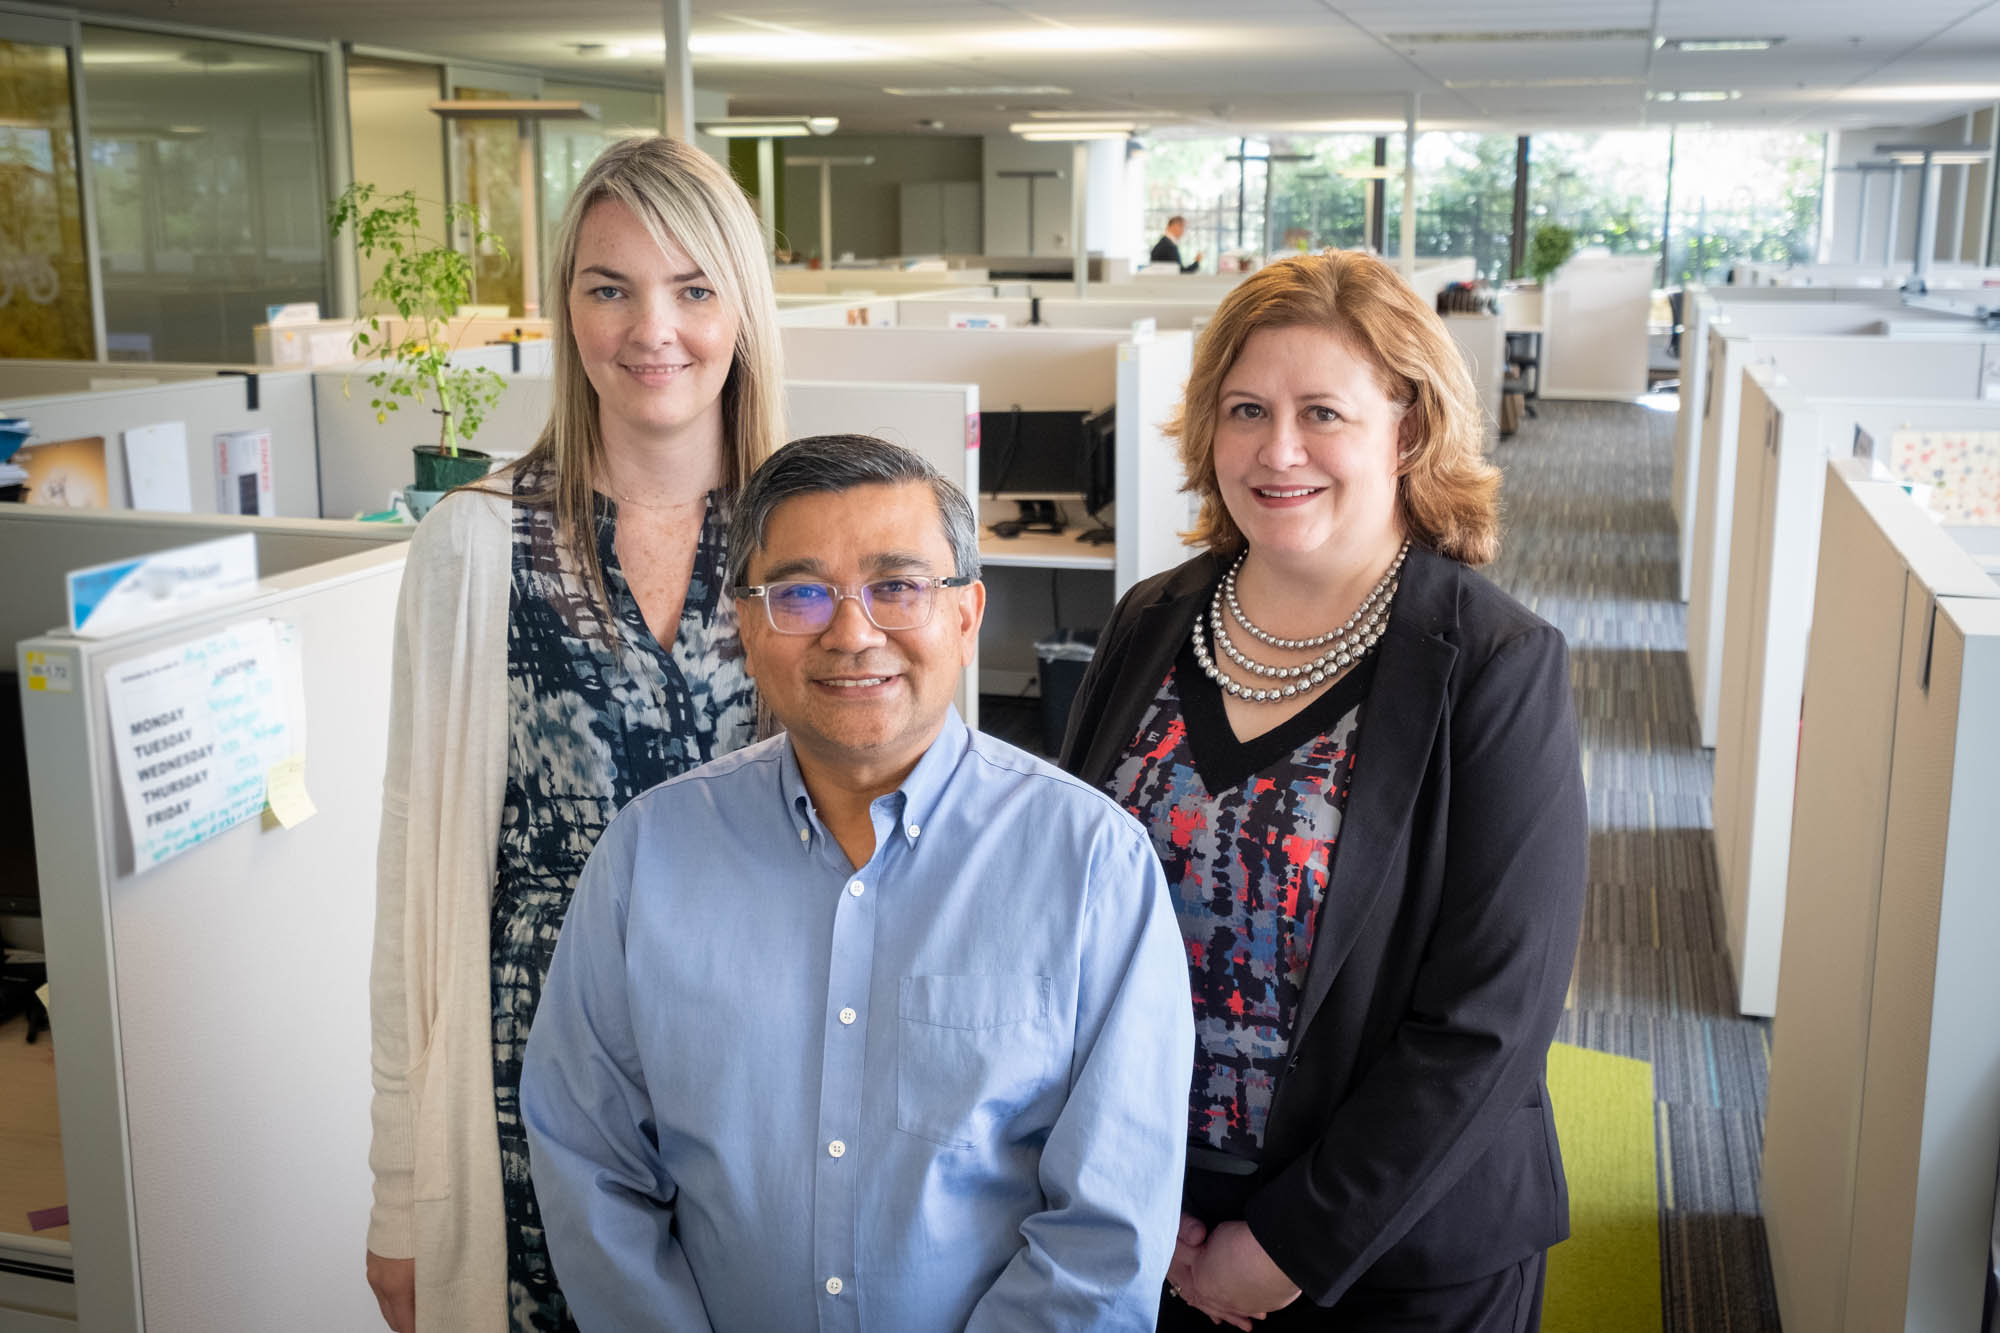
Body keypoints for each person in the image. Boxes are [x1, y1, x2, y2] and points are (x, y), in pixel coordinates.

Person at [520, 435, 1196, 1332]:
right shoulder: (648, 857)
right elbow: (588, 1163)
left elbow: (1106, 1230)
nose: (852, 631)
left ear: (967, 616)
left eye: (899, 586)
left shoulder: (1092, 867)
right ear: (749, 627)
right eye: (800, 592)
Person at [1060, 249, 1588, 1332]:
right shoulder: (1149, 622)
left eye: (1322, 413)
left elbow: (1489, 1016)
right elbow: (1062, 916)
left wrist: (1288, 1245)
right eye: (1245, 408)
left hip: (1391, 1244)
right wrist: (1120, 1186)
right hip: (1150, 1217)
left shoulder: (1490, 664)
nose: (1278, 449)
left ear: (1407, 426)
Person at [364, 135, 786, 1333]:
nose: (652, 328)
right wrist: (403, 1194)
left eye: (693, 287)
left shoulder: (813, 545)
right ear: (566, 310)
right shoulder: (475, 543)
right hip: (530, 1104)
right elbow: (414, 893)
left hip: (763, 1095)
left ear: (742, 310)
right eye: (609, 287)